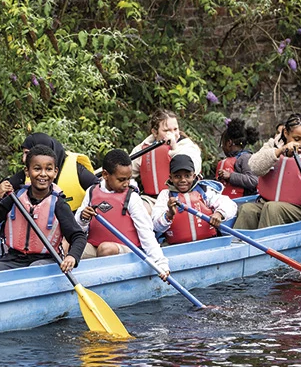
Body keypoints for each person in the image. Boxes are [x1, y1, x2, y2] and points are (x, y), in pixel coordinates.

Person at [0, 144, 87, 274]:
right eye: (37, 169)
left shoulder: (59, 204)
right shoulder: (15, 198)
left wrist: (72, 256)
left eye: (48, 169)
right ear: (27, 171)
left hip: (46, 260)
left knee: (34, 269)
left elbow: (78, 236)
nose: (43, 174)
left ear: (55, 172)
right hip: (13, 259)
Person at [75, 149, 169, 279]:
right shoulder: (91, 192)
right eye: (121, 179)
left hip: (127, 250)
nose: (126, 183)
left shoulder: (132, 197)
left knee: (105, 249)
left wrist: (161, 264)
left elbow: (146, 233)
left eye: (128, 179)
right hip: (95, 247)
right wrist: (83, 218)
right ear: (105, 175)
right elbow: (79, 227)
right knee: (71, 247)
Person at [0, 133, 95, 211]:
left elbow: (103, 191)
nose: (24, 159)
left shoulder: (77, 170)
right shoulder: (26, 174)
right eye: (24, 154)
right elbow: (0, 189)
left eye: (28, 153)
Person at [234, 113, 301, 230]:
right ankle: (237, 244)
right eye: (296, 139)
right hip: (266, 203)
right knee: (247, 209)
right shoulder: (272, 146)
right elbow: (254, 167)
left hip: (299, 210)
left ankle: (267, 243)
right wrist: (278, 151)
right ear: (286, 133)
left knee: (272, 208)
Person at [153, 154, 238, 244]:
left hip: (208, 242)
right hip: (177, 247)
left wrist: (219, 213)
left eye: (187, 176)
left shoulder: (204, 190)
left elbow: (231, 205)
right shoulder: (165, 196)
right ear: (171, 178)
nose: (183, 180)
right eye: (177, 176)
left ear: (193, 176)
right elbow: (155, 225)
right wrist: (169, 215)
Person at [130, 109, 202, 198]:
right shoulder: (142, 148)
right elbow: (126, 172)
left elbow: (195, 168)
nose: (173, 134)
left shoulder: (187, 146)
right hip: (151, 199)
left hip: (182, 197)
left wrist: (174, 147)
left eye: (175, 129)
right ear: (155, 132)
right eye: (166, 130)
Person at [215, 118, 260, 198]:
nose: (222, 147)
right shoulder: (229, 159)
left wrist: (230, 176)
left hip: (243, 202)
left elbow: (253, 180)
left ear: (229, 143)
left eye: (222, 144)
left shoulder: (245, 157)